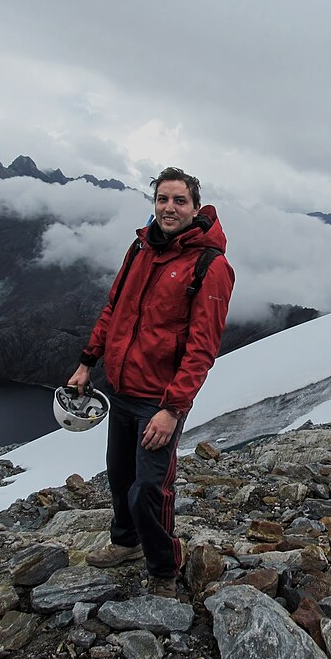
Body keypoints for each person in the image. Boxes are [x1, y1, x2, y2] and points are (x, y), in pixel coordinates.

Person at [67, 166, 234, 598]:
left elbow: (202, 347)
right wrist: (87, 362)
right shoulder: (141, 247)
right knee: (121, 477)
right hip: (122, 388)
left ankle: (163, 570)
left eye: (179, 200)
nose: (169, 208)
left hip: (158, 400)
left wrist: (173, 408)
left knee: (149, 490)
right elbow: (115, 309)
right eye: (162, 199)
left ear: (196, 208)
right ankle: (125, 543)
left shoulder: (209, 265)